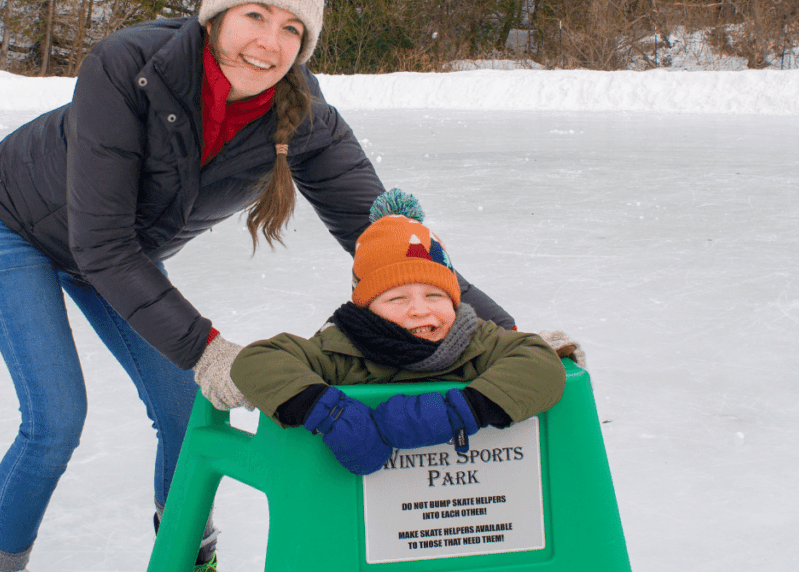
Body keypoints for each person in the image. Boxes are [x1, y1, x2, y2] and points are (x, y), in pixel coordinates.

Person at [0, 0, 520, 572]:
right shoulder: (126, 67)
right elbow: (97, 242)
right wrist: (208, 347)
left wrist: (507, 335)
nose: (269, 42)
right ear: (216, 13)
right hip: (20, 227)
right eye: (255, 15)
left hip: (121, 250)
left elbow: (388, 245)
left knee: (185, 408)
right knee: (56, 418)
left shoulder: (302, 113)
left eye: (293, 28)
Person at [231, 190, 567, 475]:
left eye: (435, 296)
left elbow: (539, 362)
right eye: (397, 298)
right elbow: (257, 361)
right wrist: (331, 414)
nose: (420, 309)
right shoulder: (342, 348)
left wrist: (458, 412)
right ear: (367, 307)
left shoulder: (475, 340)